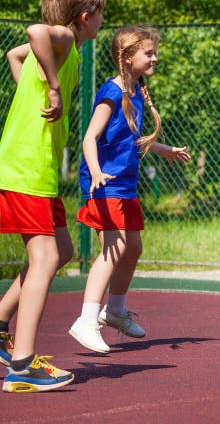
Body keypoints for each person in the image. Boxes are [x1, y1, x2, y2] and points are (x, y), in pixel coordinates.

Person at [0, 0, 106, 392]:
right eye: (100, 14)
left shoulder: (65, 49)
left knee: (61, 249)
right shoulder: (62, 38)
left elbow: (13, 53)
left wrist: (35, 88)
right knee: (44, 258)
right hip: (25, 167)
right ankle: (22, 366)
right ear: (85, 17)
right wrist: (55, 89)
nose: (103, 21)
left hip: (31, 167)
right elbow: (34, 31)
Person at [67, 25, 190, 354]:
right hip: (105, 184)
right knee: (113, 249)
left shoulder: (135, 91)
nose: (155, 57)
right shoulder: (112, 92)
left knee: (132, 248)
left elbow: (127, 140)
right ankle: (86, 319)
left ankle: (115, 312)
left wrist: (162, 149)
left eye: (154, 52)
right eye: (148, 53)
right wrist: (95, 171)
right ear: (126, 57)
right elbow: (90, 137)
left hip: (125, 185)